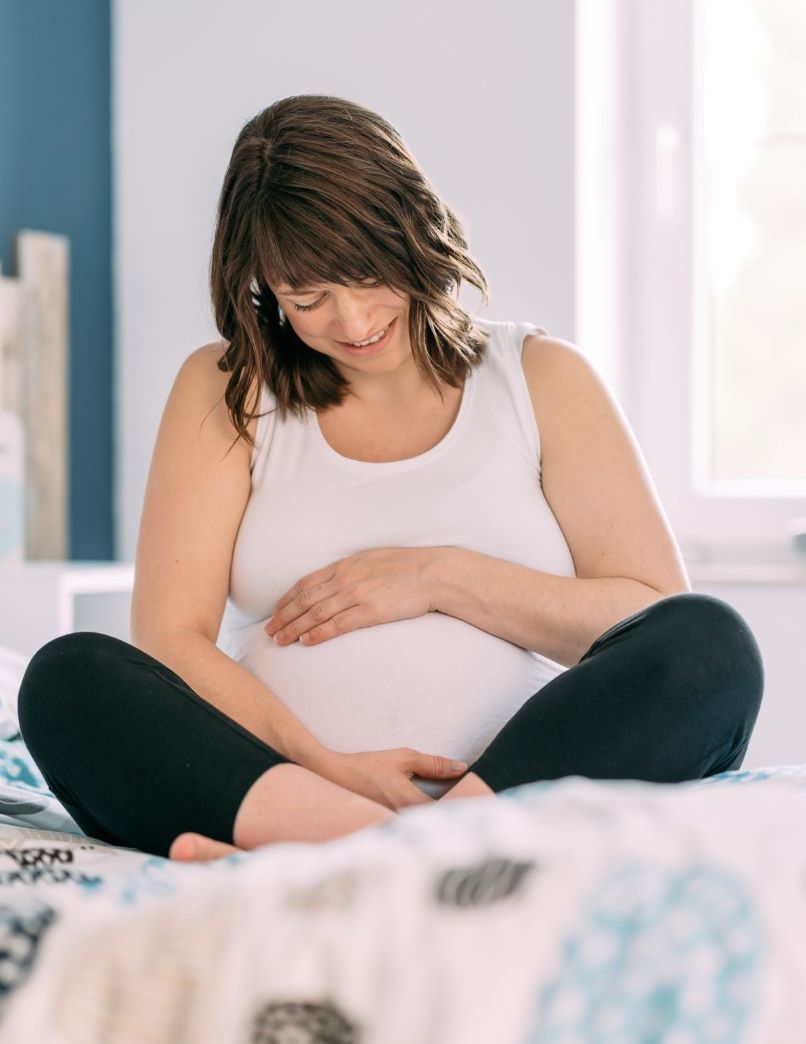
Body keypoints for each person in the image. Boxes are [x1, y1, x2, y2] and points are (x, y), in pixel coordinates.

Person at [17, 94, 764, 864]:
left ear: (412, 231)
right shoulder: (227, 387)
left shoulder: (541, 379)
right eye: (307, 299)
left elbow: (646, 617)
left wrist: (438, 577)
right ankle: (389, 850)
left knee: (713, 645)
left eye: (368, 276)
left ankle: (432, 842)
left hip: (515, 786)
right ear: (263, 290)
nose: (352, 321)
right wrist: (322, 767)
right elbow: (172, 638)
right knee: (66, 680)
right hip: (295, 790)